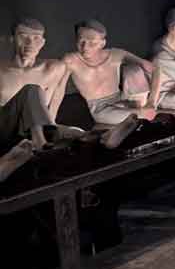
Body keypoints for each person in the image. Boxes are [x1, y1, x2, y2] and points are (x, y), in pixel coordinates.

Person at [62, 20, 160, 148]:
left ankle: (125, 126)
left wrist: (152, 100)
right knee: (143, 115)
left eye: (92, 42)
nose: (85, 47)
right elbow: (58, 86)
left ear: (103, 43)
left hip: (123, 100)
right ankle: (117, 134)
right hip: (101, 108)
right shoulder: (71, 60)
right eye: (81, 41)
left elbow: (155, 69)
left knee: (134, 69)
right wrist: (50, 120)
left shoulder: (116, 54)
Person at [0, 18, 71, 182]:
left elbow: (54, 101)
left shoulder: (55, 68)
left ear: (43, 42)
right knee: (32, 89)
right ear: (12, 38)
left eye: (36, 38)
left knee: (76, 133)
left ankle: (105, 137)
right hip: (4, 128)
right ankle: (40, 143)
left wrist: (56, 128)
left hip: (29, 131)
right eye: (23, 36)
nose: (29, 43)